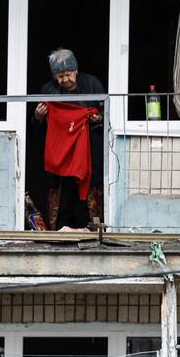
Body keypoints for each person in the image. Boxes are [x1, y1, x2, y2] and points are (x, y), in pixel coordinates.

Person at [34, 49, 104, 230]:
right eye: (59, 76)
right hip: (61, 154)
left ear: (76, 70)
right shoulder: (48, 90)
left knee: (87, 195)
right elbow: (38, 127)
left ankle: (90, 231)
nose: (64, 79)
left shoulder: (92, 85)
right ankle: (61, 231)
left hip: (87, 152)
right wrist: (38, 116)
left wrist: (98, 119)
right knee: (64, 195)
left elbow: (107, 113)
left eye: (67, 74)